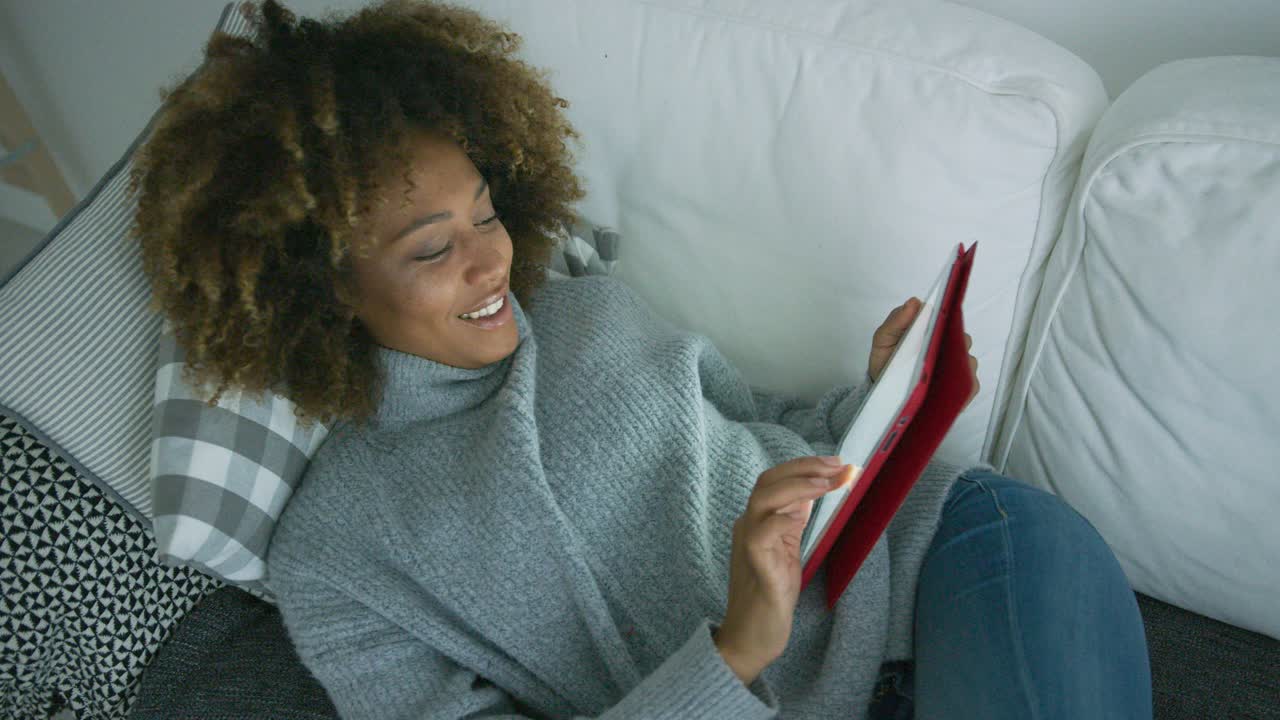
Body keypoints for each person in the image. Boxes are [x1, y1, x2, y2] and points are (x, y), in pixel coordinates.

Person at [129, 1, 1152, 718]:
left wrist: (883, 393)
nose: (489, 259)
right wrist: (734, 650)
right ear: (321, 285)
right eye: (432, 249)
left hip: (950, 559)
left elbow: (776, 429)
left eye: (486, 215)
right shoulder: (338, 551)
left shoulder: (587, 311)